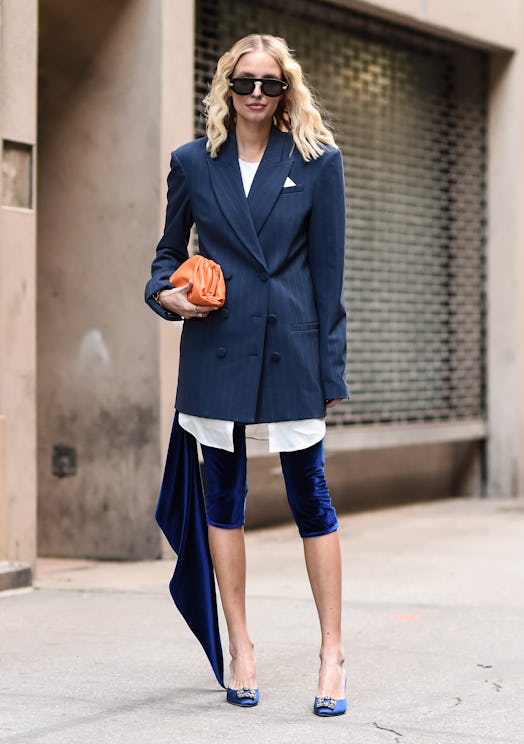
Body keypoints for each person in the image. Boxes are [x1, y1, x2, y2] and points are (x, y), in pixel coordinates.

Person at [145, 33, 349, 717]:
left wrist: (330, 370)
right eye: (245, 82)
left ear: (285, 89)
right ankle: (242, 647)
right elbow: (166, 256)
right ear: (226, 87)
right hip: (218, 348)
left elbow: (329, 279)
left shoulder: (319, 162)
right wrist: (166, 297)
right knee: (222, 500)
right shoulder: (192, 163)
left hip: (291, 351)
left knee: (309, 497)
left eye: (270, 83)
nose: (257, 94)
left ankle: (331, 652)